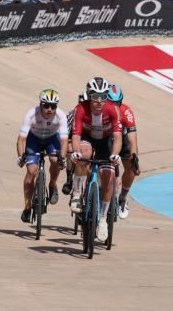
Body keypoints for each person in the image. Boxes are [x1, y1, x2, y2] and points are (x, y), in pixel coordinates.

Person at [70, 77, 122, 243]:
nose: (99, 101)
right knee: (83, 153)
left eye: (103, 96)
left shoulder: (113, 110)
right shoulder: (81, 109)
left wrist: (115, 154)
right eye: (95, 97)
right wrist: (76, 152)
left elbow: (118, 137)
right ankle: (77, 193)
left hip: (105, 142)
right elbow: (76, 136)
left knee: (107, 176)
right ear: (89, 95)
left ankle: (102, 220)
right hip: (87, 138)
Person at [16, 89, 68, 223]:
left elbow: (63, 141)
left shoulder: (61, 116)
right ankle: (27, 207)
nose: (49, 109)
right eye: (46, 105)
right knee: (31, 171)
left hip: (52, 139)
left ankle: (52, 184)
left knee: (55, 160)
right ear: (40, 104)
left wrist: (62, 157)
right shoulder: (31, 114)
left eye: (53, 106)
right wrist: (21, 156)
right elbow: (21, 139)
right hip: (34, 140)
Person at [107, 84, 140, 219]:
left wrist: (135, 158)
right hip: (108, 138)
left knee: (132, 167)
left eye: (117, 103)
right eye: (111, 103)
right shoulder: (101, 110)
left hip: (124, 139)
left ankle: (122, 198)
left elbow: (132, 139)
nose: (115, 106)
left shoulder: (126, 112)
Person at [61, 92, 85, 195]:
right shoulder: (72, 114)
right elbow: (65, 135)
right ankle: (69, 178)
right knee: (70, 149)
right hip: (74, 140)